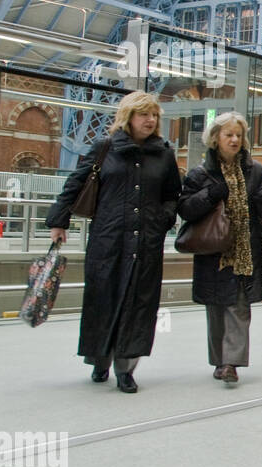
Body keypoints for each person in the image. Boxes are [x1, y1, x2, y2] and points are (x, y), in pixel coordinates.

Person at [46, 91, 182, 393]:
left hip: (146, 242)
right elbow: (75, 183)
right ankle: (100, 359)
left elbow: (173, 194)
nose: (150, 120)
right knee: (102, 300)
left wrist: (163, 220)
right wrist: (58, 221)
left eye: (154, 115)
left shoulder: (164, 154)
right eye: (143, 114)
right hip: (107, 240)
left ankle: (126, 368)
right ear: (128, 116)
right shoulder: (104, 149)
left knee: (139, 305)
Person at [177, 112, 262, 384]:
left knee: (239, 307)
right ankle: (220, 361)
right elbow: (185, 209)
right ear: (215, 139)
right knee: (216, 308)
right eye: (228, 135)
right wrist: (210, 195)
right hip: (214, 252)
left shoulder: (256, 171)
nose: (235, 140)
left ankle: (231, 363)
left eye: (239, 135)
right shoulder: (201, 173)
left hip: (246, 252)